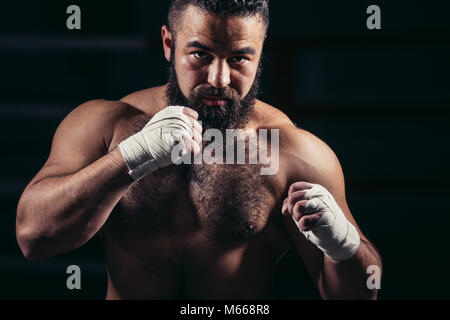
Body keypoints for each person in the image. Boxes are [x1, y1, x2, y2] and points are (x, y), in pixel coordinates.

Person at [16, 0, 382, 299]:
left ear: (260, 54)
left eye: (239, 58)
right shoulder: (105, 124)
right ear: (168, 44)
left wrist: (344, 246)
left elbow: (362, 293)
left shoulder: (293, 152)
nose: (218, 79)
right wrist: (129, 157)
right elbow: (33, 238)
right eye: (200, 55)